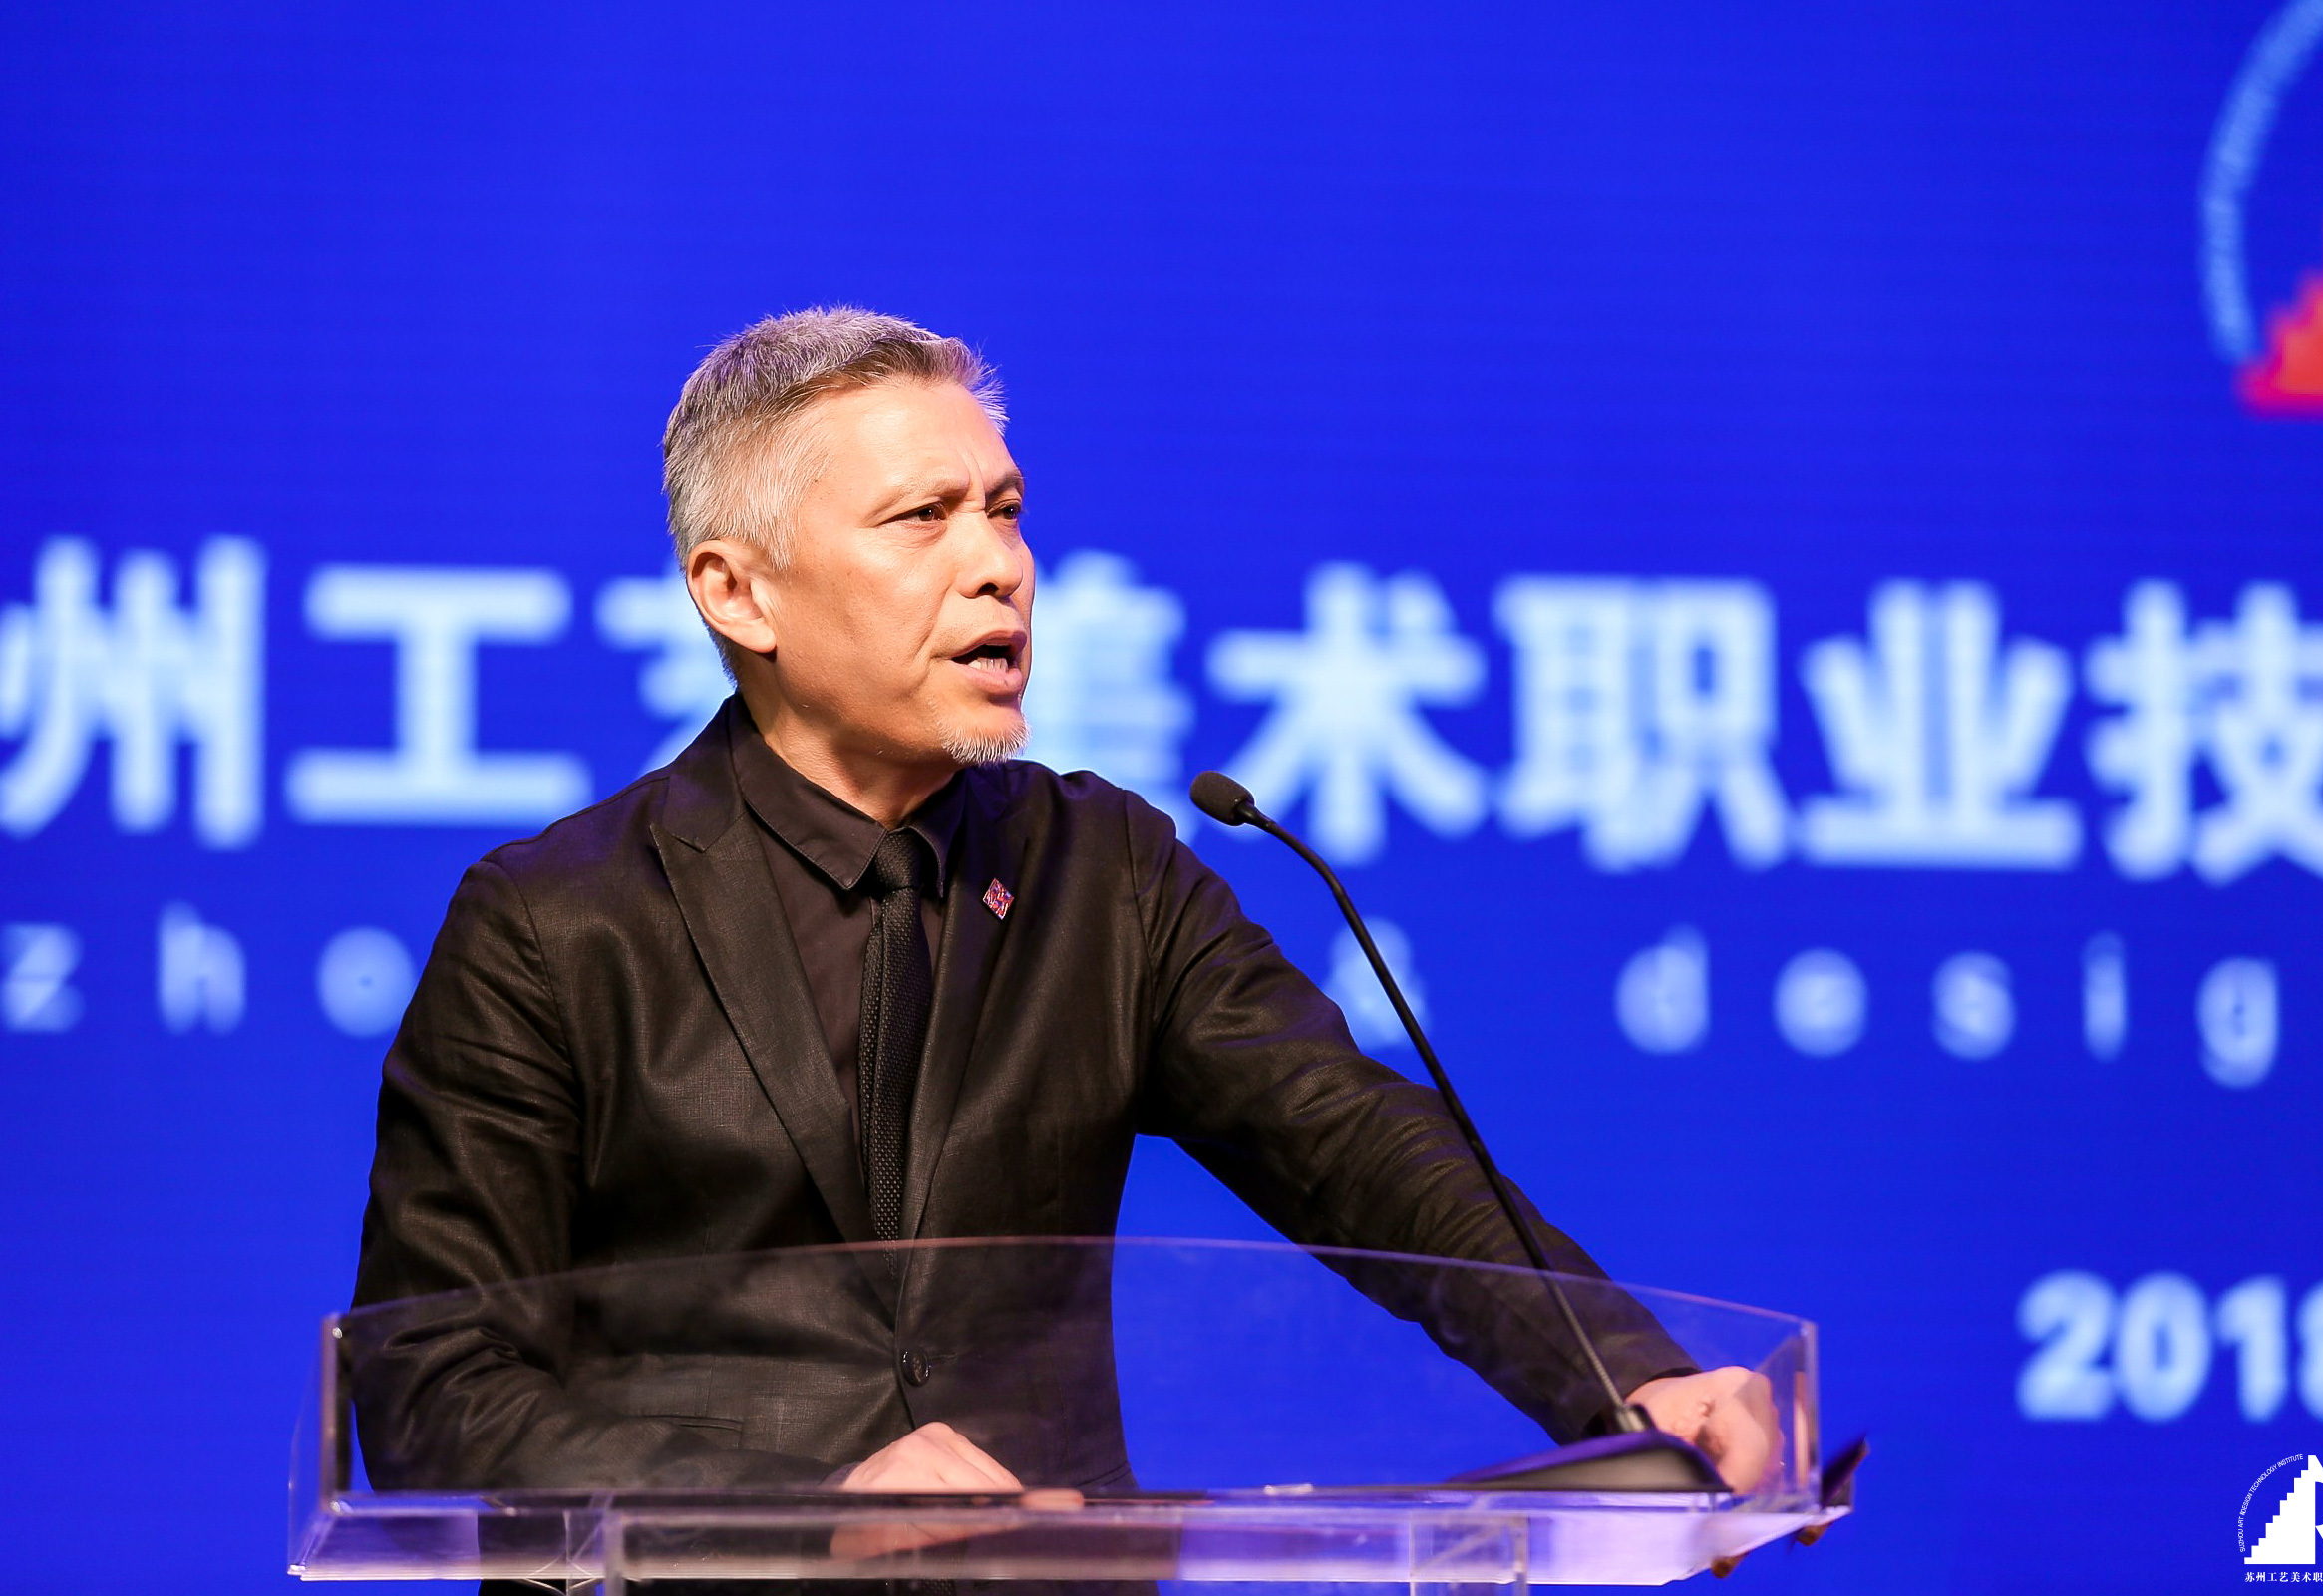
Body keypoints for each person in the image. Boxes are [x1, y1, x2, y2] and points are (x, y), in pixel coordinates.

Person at [350, 307, 1775, 1509]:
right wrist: (802, 1510)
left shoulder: (1105, 870)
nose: (999, 564)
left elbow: (1360, 1150)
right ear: (739, 593)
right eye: (922, 518)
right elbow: (428, 1385)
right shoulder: (557, 925)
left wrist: (1627, 1375)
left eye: (1005, 509)